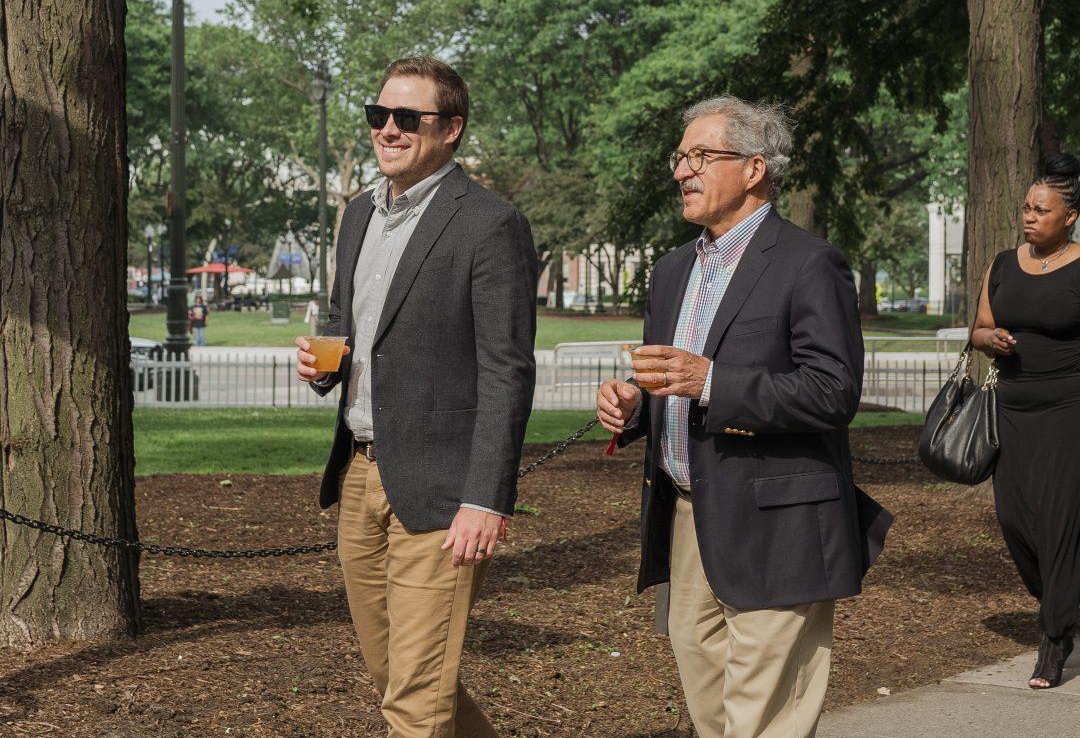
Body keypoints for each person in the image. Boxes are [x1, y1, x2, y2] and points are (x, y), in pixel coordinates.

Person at [594, 96, 892, 738]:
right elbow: (672, 382)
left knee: (763, 718)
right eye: (680, 157)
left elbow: (833, 392)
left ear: (755, 168)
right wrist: (636, 405)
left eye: (701, 156)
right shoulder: (672, 270)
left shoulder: (808, 263)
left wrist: (711, 381)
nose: (682, 171)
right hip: (687, 516)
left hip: (778, 522)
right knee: (711, 705)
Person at [293, 56, 538, 736]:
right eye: (379, 115)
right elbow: (344, 320)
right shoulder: (358, 215)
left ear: (451, 129)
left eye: (408, 117)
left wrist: (486, 498)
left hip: (443, 492)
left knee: (415, 697)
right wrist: (323, 363)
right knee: (397, 677)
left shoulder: (489, 224)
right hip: (360, 476)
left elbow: (507, 372)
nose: (388, 129)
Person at [971, 153, 1080, 688]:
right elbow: (978, 327)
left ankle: (1055, 637)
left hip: (1072, 411)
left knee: (1059, 521)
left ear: (1070, 216)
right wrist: (990, 339)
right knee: (1013, 520)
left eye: (1041, 210)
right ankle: (1058, 602)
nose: (1029, 216)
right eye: (1027, 207)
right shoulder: (1002, 264)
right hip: (1013, 410)